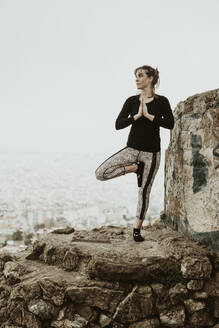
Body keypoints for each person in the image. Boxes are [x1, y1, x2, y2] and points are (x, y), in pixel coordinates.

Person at [95, 65, 174, 242]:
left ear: (150, 79)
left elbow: (170, 123)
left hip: (151, 154)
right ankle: (133, 169)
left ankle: (137, 230)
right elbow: (118, 124)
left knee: (144, 191)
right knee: (100, 173)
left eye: (140, 76)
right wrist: (136, 117)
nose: (137, 79)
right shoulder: (131, 101)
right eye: (135, 76)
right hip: (131, 150)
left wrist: (150, 116)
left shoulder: (162, 101)